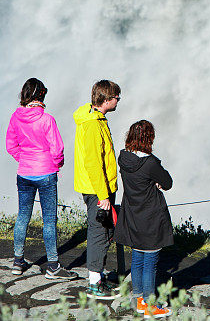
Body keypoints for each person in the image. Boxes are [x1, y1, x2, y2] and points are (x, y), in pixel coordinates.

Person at [5, 78, 75, 280]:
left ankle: (17, 262)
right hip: (45, 173)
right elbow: (58, 149)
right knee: (49, 221)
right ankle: (53, 266)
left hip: (24, 173)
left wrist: (25, 159)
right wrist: (55, 164)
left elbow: (11, 145)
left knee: (23, 216)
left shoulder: (15, 117)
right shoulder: (47, 119)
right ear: (41, 95)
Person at [114, 120, 173, 318]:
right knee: (150, 262)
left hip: (132, 216)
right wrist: (156, 180)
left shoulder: (123, 158)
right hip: (151, 218)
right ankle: (150, 305)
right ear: (149, 139)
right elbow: (168, 182)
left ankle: (138, 300)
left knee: (138, 257)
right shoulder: (150, 163)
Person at [73, 79, 121, 299]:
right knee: (98, 234)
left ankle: (98, 278)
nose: (118, 100)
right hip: (97, 190)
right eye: (116, 97)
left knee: (103, 232)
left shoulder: (96, 118)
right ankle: (94, 284)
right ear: (105, 99)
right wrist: (104, 196)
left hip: (99, 188)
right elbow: (93, 163)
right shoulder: (93, 124)